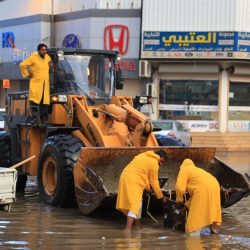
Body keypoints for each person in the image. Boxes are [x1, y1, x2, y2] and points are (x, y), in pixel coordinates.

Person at [116, 150, 168, 231]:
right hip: (133, 180)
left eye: (163, 163)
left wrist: (147, 189)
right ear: (158, 157)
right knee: (134, 204)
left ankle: (137, 226)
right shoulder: (154, 163)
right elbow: (154, 181)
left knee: (138, 203)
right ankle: (127, 229)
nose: (161, 164)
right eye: (161, 161)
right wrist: (161, 196)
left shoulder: (144, 155)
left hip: (126, 177)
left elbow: (143, 175)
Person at [175, 159, 222, 235]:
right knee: (213, 213)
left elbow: (179, 188)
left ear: (181, 166)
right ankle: (214, 234)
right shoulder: (198, 171)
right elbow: (195, 195)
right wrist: (185, 207)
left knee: (192, 227)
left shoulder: (184, 169)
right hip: (215, 186)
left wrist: (179, 201)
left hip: (203, 189)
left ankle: (194, 237)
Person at [19, 43, 51, 124]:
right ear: (38, 51)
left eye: (45, 50)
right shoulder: (33, 57)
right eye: (42, 50)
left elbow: (50, 65)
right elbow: (22, 65)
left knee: (45, 103)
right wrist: (28, 74)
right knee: (34, 102)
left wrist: (51, 67)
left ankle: (44, 119)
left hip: (45, 85)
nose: (44, 51)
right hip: (36, 84)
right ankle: (35, 119)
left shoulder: (47, 58)